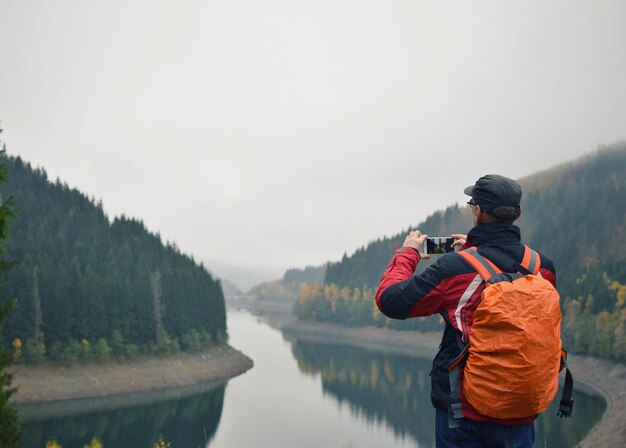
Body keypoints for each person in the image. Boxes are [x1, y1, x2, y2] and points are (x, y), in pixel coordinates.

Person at [375, 174, 557, 448]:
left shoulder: (454, 268)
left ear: (477, 212)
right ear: (517, 214)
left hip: (465, 416)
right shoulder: (542, 267)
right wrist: (474, 251)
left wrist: (407, 253)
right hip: (522, 410)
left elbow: (390, 300)